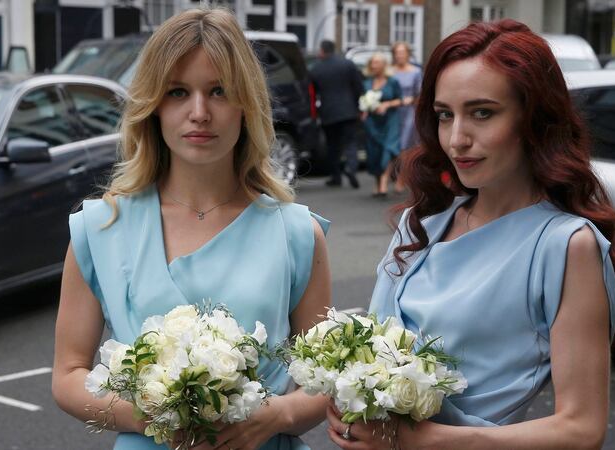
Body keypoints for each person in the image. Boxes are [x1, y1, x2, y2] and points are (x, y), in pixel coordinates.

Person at [326, 20, 615, 449]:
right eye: (444, 116)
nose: (457, 139)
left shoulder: (566, 246)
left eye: (482, 113)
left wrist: (419, 441)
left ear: (535, 119)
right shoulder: (423, 221)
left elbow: (582, 429)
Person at [52, 9, 331, 450]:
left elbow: (323, 379)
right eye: (178, 92)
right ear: (153, 107)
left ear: (246, 105)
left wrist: (278, 414)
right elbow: (68, 375)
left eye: (219, 91)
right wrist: (152, 418)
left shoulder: (296, 233)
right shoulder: (100, 228)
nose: (199, 113)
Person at [309, 40, 364, 189]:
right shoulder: (347, 64)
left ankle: (335, 176)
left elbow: (313, 94)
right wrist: (357, 105)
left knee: (333, 146)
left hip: (328, 112)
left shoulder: (315, 69)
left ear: (322, 51)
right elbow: (358, 86)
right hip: (348, 110)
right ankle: (350, 168)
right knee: (351, 142)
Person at [362, 53, 402, 198]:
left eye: (377, 62)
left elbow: (400, 100)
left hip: (390, 120)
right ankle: (377, 182)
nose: (374, 65)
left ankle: (384, 181)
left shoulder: (393, 82)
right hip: (372, 122)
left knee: (388, 148)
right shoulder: (367, 82)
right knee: (374, 152)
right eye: (372, 63)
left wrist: (387, 104)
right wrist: (365, 109)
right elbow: (363, 101)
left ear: (384, 65)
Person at [390, 42, 423, 193]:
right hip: (393, 112)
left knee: (405, 146)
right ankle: (394, 174)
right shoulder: (390, 71)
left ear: (408, 54)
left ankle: (402, 179)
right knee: (393, 145)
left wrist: (413, 102)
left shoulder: (416, 71)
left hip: (409, 111)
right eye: (397, 53)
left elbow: (420, 93)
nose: (399, 55)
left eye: (402, 52)